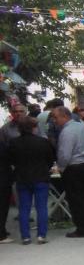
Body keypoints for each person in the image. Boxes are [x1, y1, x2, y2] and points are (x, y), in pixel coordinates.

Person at [53, 106, 84, 238]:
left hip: (75, 167)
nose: (54, 120)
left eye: (56, 117)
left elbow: (65, 154)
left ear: (64, 116)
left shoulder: (67, 131)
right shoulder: (82, 126)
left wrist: (61, 167)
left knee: (76, 199)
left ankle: (82, 228)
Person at [9, 116, 54, 244]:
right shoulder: (43, 142)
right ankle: (41, 235)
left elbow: (11, 160)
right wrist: (46, 168)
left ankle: (25, 236)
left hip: (22, 178)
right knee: (41, 207)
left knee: (24, 208)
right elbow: (50, 159)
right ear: (34, 128)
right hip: (41, 177)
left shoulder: (13, 142)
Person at [0, 101, 26, 243]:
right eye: (15, 112)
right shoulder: (5, 130)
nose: (18, 114)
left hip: (30, 166)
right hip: (10, 168)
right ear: (11, 113)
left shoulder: (34, 126)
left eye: (21, 111)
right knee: (11, 198)